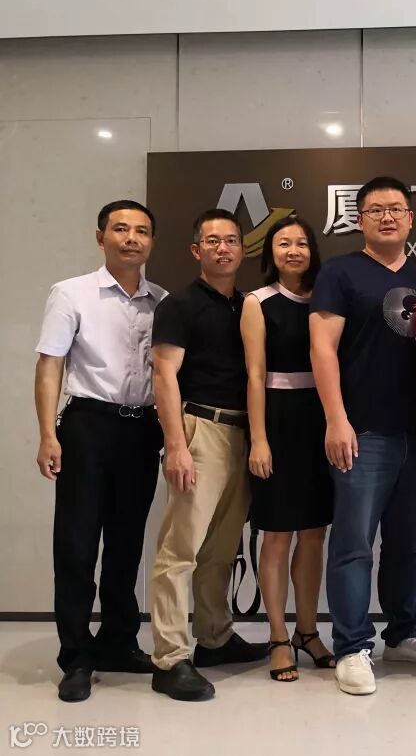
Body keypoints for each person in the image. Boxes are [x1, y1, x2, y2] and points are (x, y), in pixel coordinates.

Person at [34, 200, 166, 702]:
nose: (132, 238)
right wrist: (48, 434)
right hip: (88, 425)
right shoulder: (71, 293)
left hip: (142, 429)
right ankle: (76, 656)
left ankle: (118, 641)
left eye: (142, 231)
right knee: (77, 543)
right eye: (121, 229)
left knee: (127, 542)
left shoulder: (161, 301)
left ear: (152, 241)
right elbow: (50, 365)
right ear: (100, 237)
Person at [310, 177, 416, 697]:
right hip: (361, 432)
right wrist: (336, 419)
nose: (387, 217)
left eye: (396, 209)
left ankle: (403, 632)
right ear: (359, 219)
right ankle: (352, 645)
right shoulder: (340, 273)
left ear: (411, 219)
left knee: (407, 543)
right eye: (376, 210)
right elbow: (322, 349)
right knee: (354, 544)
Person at [148, 208, 267, 701]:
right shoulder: (179, 305)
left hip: (242, 433)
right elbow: (163, 375)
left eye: (232, 240)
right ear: (197, 250)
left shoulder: (247, 305)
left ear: (243, 248)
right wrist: (176, 444)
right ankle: (169, 658)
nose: (223, 248)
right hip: (200, 429)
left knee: (221, 547)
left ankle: (214, 638)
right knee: (180, 550)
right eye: (213, 241)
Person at [241, 215, 334, 683]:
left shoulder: (326, 300)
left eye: (301, 243)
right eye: (283, 243)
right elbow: (255, 374)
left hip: (320, 420)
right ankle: (278, 636)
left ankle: (307, 631)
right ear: (270, 252)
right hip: (277, 419)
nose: (293, 251)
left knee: (314, 533)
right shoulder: (257, 302)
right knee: (277, 534)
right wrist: (259, 439)